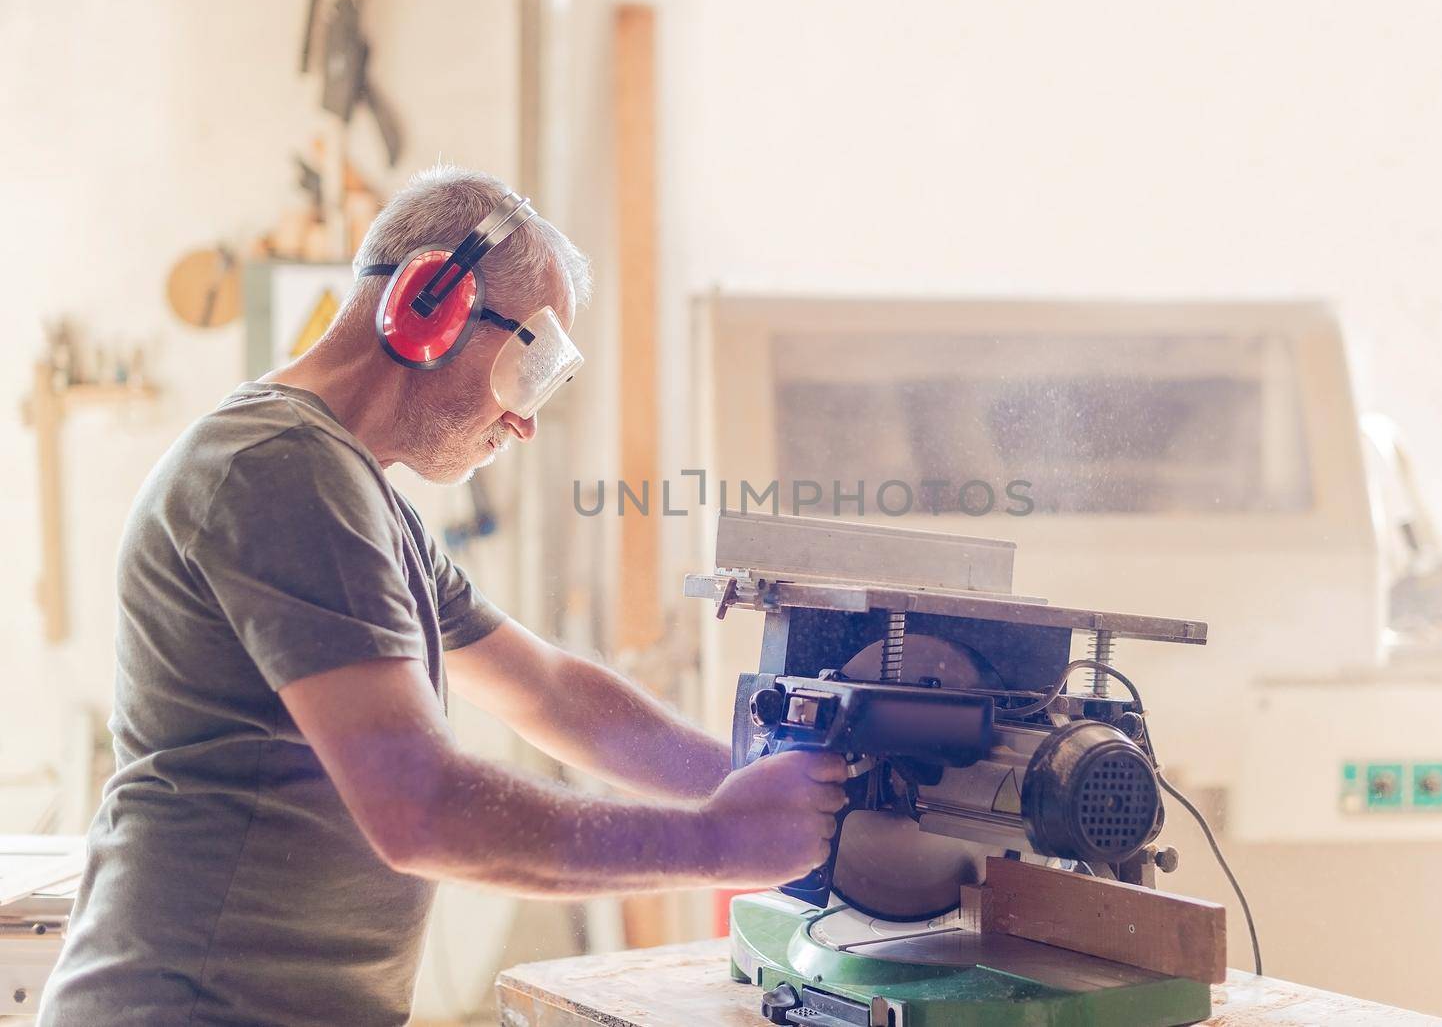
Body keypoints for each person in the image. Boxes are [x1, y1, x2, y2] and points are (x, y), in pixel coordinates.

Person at [40, 166, 846, 1027]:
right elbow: (418, 809)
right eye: (530, 366)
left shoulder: (359, 496)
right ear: (431, 306)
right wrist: (721, 843)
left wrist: (757, 780)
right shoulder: (279, 469)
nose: (527, 422)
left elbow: (546, 691)